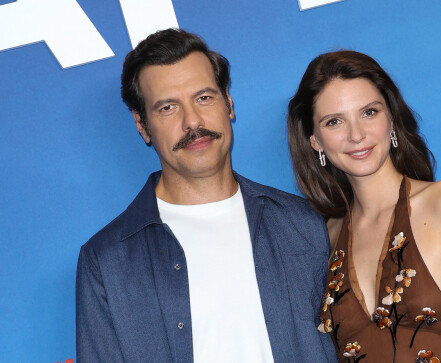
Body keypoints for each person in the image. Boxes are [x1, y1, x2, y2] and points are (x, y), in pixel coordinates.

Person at [75, 28, 336, 362]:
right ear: (142, 126)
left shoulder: (304, 223)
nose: (192, 121)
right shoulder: (107, 261)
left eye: (204, 97)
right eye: (168, 107)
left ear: (228, 102)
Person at [287, 50, 441, 362]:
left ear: (391, 118)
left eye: (369, 112)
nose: (357, 134)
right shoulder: (325, 237)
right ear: (315, 141)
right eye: (334, 121)